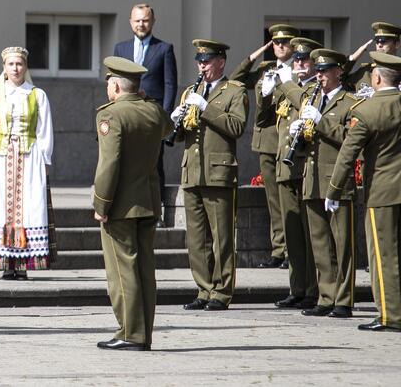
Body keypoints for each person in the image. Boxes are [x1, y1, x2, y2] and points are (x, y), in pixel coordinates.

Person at [93, 56, 172, 351]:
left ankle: (130, 332)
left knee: (121, 270)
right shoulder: (153, 110)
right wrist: (144, 98)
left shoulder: (111, 115)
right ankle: (143, 332)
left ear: (114, 85)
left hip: (121, 204)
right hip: (149, 200)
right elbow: (169, 129)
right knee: (143, 269)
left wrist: (101, 202)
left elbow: (109, 163)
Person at [170, 39, 248, 311]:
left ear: (221, 62)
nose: (201, 65)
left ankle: (222, 291)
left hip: (218, 172)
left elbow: (237, 126)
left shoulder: (234, 92)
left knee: (222, 236)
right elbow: (181, 136)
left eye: (207, 60)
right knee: (197, 237)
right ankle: (203, 289)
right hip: (192, 171)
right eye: (199, 61)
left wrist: (205, 107)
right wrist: (175, 120)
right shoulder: (193, 90)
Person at [326, 52, 401, 332]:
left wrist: (333, 189)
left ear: (377, 77)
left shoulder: (367, 110)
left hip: (382, 192)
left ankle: (390, 316)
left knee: (382, 256)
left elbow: (348, 154)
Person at [282, 48, 357, 318]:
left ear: (339, 71)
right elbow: (307, 148)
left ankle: (344, 299)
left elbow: (351, 139)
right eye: (319, 70)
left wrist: (321, 122)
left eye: (325, 71)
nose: (320, 75)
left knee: (342, 243)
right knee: (320, 243)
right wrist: (297, 137)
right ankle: (326, 296)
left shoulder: (350, 102)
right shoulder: (313, 100)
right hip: (312, 180)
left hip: (337, 181)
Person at [0, 46, 55, 280]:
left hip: (29, 157)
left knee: (29, 207)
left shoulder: (37, 95)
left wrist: (45, 159)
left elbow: (44, 129)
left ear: (25, 67)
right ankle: (6, 262)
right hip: (0, 157)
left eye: (19, 64)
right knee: (1, 208)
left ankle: (24, 262)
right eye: (11, 64)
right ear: (4, 67)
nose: (15, 68)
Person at [230, 24, 299, 270]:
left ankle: (293, 250)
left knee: (288, 199)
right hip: (266, 141)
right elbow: (235, 79)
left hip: (287, 141)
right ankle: (279, 249)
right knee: (273, 200)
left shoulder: (298, 72)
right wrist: (255, 55)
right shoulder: (265, 69)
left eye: (285, 42)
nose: (280, 46)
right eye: (275, 43)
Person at [263, 39, 326, 310]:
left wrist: (287, 84)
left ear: (313, 64)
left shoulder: (315, 89)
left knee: (309, 232)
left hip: (305, 168)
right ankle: (297, 287)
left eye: (305, 60)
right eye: (297, 60)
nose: (299, 64)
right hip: (285, 167)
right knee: (292, 234)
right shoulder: (287, 87)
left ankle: (313, 289)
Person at [113, 4, 178, 216]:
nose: (141, 24)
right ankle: (126, 207)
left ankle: (156, 210)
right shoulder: (120, 49)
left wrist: (164, 117)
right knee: (125, 160)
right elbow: (113, 81)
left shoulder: (164, 48)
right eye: (137, 20)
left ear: (152, 22)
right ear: (131, 22)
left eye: (145, 20)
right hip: (125, 116)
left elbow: (170, 84)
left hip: (152, 116)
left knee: (154, 163)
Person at [342, 22, 400, 94]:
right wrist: (352, 58)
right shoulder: (365, 73)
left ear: (397, 44)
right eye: (377, 41)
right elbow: (338, 82)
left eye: (383, 41)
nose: (379, 45)